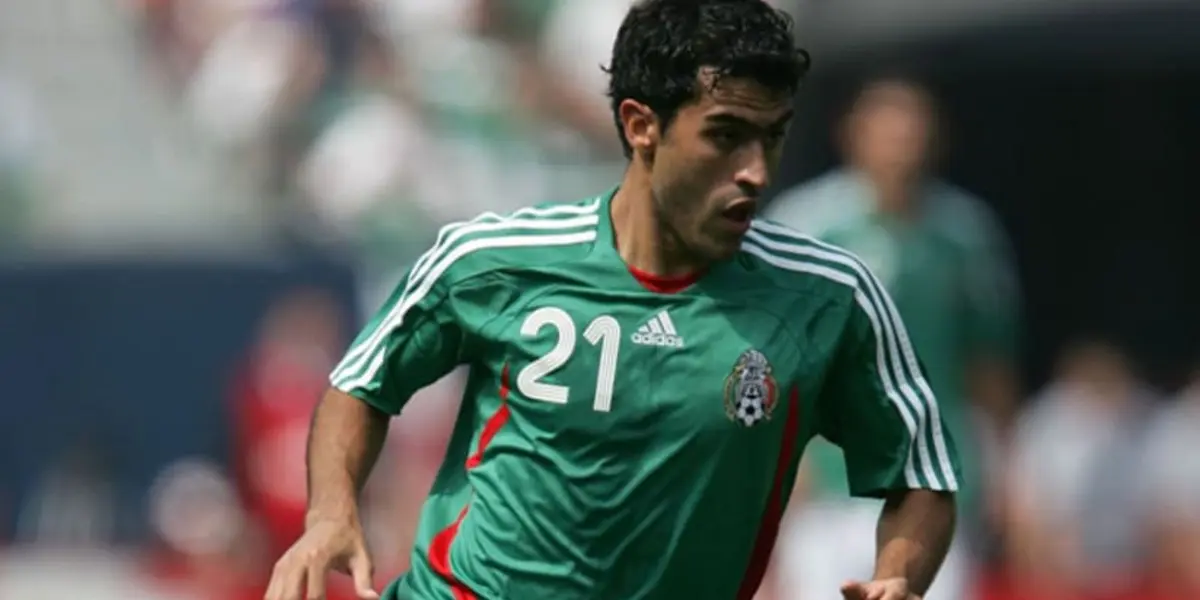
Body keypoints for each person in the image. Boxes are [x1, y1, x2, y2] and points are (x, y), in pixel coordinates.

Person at [264, 2, 960, 599]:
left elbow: (920, 476)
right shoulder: (494, 261)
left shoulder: (829, 298)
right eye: (724, 135)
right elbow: (361, 384)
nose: (755, 171)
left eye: (771, 137)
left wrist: (899, 576)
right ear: (641, 126)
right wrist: (331, 511)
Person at [765, 75, 1020, 600]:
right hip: (830, 483)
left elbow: (987, 360)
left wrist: (1004, 467)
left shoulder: (965, 234)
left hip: (934, 483)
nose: (902, 144)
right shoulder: (807, 226)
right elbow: (772, 352)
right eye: (888, 129)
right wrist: (786, 461)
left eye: (913, 131)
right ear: (853, 133)